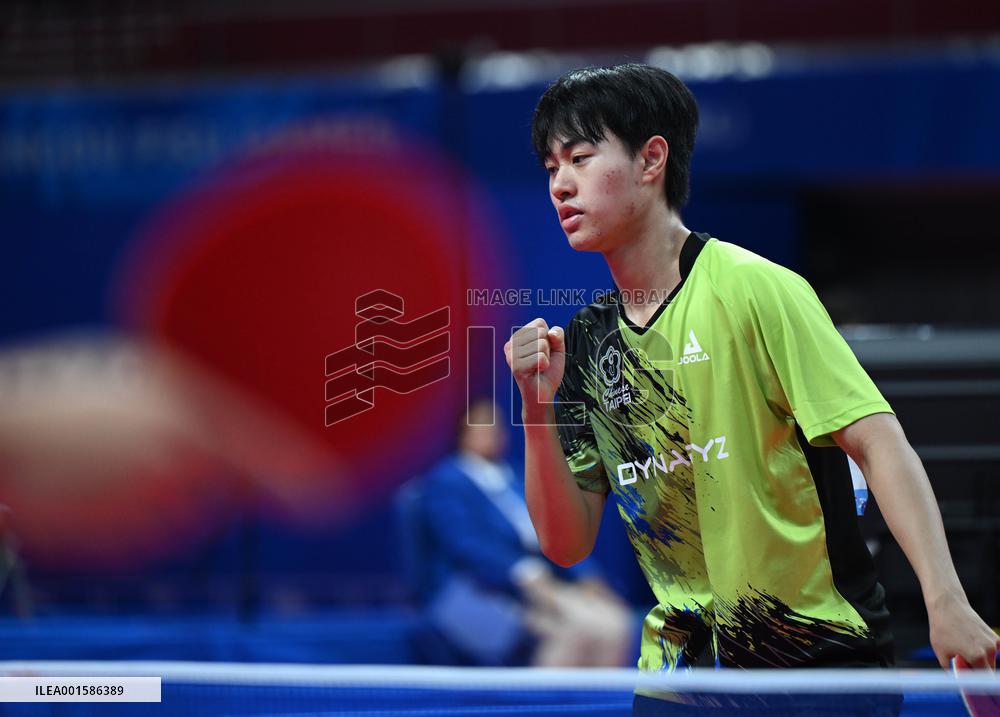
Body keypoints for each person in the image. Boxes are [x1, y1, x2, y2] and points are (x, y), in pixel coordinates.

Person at [504, 64, 998, 706]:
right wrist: (536, 407)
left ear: (652, 160)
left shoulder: (757, 290)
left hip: (815, 664)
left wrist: (946, 602)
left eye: (579, 158)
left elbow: (881, 444)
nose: (560, 186)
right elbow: (565, 544)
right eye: (550, 168)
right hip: (681, 681)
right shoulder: (590, 342)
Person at [412, 399, 632, 667]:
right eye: (481, 424)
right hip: (479, 589)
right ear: (462, 431)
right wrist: (526, 577)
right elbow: (467, 546)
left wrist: (587, 575)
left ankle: (598, 707)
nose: (491, 430)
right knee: (575, 628)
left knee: (615, 623)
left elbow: (554, 530)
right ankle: (546, 707)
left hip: (541, 583)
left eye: (496, 425)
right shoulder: (446, 481)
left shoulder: (516, 476)